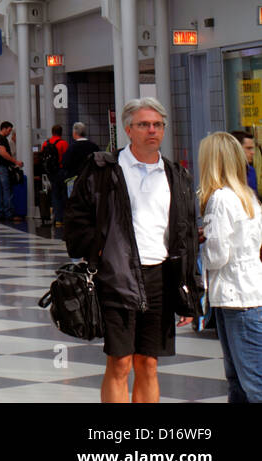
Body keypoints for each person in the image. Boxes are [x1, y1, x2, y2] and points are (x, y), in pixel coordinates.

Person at [64, 98, 202, 403]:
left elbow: (186, 234)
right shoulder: (105, 169)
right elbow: (76, 218)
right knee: (121, 362)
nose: (152, 130)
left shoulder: (175, 175)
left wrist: (190, 288)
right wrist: (98, 253)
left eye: (157, 125)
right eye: (143, 124)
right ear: (129, 129)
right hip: (118, 276)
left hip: (161, 277)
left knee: (149, 363)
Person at [198, 132, 262, 403]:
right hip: (248, 292)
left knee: (249, 383)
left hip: (236, 298)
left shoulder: (220, 199)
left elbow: (217, 256)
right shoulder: (247, 195)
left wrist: (202, 242)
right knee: (244, 380)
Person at [61, 122, 100, 203]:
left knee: (74, 204)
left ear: (75, 133)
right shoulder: (94, 146)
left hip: (74, 180)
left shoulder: (72, 148)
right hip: (91, 180)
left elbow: (65, 163)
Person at [41, 124, 70, 227]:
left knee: (54, 194)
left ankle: (56, 219)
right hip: (61, 171)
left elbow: (42, 157)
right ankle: (63, 218)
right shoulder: (63, 143)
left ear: (52, 132)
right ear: (61, 133)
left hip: (50, 173)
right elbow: (67, 158)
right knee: (64, 194)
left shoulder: (45, 143)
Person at [0, 121, 22, 222]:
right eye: (9, 130)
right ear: (4, 128)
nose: (9, 133)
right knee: (7, 191)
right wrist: (15, 161)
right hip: (3, 168)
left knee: (1, 191)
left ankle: (1, 213)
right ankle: (9, 214)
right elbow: (3, 153)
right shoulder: (1, 139)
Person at [232, 130, 257, 196]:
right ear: (236, 149)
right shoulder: (225, 173)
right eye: (248, 148)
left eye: (252, 148)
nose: (252, 152)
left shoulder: (251, 171)